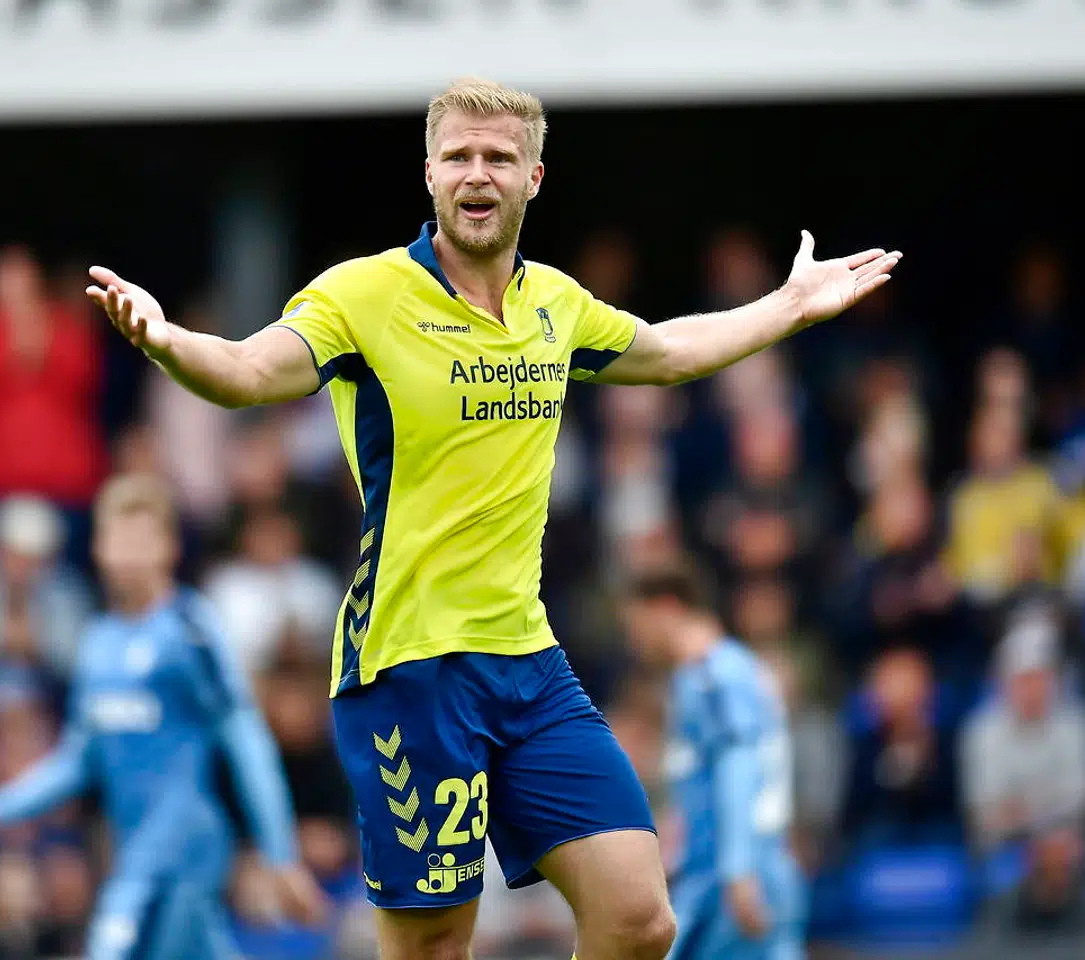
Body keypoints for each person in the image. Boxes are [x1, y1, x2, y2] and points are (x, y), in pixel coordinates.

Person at [85, 78, 901, 960]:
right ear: (430, 174)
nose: (478, 174)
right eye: (460, 157)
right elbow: (248, 371)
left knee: (640, 918)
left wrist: (788, 306)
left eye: (499, 158)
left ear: (534, 177)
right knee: (436, 947)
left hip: (526, 662)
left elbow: (667, 354)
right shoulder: (365, 296)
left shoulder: (557, 305)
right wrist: (168, 344)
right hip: (409, 665)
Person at [0, 473, 326, 959]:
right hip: (134, 851)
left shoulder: (189, 629)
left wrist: (280, 854)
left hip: (183, 848)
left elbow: (245, 739)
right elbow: (78, 761)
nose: (129, 551)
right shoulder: (98, 644)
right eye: (119, 536)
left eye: (143, 537)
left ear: (169, 548)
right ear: (98, 548)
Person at [623, 562, 805, 960]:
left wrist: (738, 871)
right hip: (735, 871)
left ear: (666, 609)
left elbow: (738, 764)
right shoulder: (721, 671)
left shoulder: (712, 676)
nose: (634, 642)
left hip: (732, 879)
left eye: (636, 627)